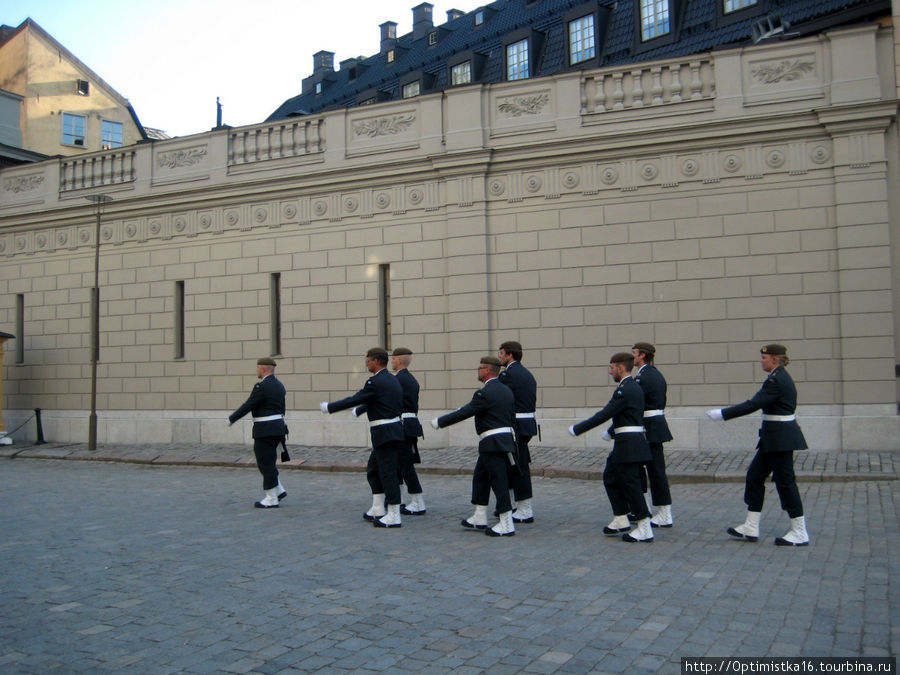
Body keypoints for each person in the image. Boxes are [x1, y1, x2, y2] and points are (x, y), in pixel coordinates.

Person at [707, 344, 810, 546]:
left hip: (780, 439)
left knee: (785, 482)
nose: (761, 361)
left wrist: (723, 414)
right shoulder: (777, 377)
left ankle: (799, 530)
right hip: (773, 439)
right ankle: (751, 525)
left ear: (774, 359)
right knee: (754, 476)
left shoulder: (776, 380)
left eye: (764, 358)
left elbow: (754, 404)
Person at [568, 352, 653, 542]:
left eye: (612, 368)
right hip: (627, 443)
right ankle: (621, 517)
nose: (610, 372)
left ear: (621, 368)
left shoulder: (626, 389)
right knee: (611, 477)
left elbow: (606, 413)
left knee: (631, 485)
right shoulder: (632, 387)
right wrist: (611, 432)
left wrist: (578, 428)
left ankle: (644, 526)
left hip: (629, 445)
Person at [431, 356, 518, 537]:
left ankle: (506, 522)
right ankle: (479, 516)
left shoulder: (484, 393)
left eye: (480, 368)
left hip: (492, 443)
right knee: (481, 477)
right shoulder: (506, 391)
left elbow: (465, 411)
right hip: (503, 441)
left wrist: (440, 421)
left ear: (487, 370)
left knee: (498, 481)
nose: (477, 371)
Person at [320, 348, 406, 528]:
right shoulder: (391, 379)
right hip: (391, 432)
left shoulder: (376, 382)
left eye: (368, 361)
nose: (366, 364)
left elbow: (356, 398)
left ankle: (394, 514)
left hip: (385, 433)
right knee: (374, 470)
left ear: (376, 361)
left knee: (388, 473)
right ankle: (377, 508)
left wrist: (330, 407)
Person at [354, 347, 426, 515]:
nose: (391, 362)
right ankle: (399, 498)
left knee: (404, 465)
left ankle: (416, 500)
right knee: (399, 465)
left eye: (393, 359)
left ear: (399, 360)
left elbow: (381, 399)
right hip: (407, 424)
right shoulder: (409, 379)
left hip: (403, 425)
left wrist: (359, 410)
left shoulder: (397, 380)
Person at [228, 357, 288, 509]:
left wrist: (233, 418)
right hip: (278, 429)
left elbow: (249, 404)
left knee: (265, 463)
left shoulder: (261, 387)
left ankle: (271, 498)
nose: (257, 371)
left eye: (257, 368)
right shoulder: (280, 385)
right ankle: (279, 489)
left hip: (264, 430)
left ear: (263, 369)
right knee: (270, 461)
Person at [632, 342, 675, 528]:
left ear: (642, 355)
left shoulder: (645, 377)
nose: (632, 356)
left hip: (649, 427)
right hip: (652, 426)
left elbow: (636, 402)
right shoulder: (653, 374)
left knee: (655, 471)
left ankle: (664, 513)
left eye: (634, 353)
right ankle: (643, 509)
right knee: (641, 468)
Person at [498, 340, 538, 524]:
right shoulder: (526, 373)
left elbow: (501, 398)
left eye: (501, 353)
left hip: (517, 426)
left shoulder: (509, 375)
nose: (500, 357)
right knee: (514, 464)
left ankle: (524, 508)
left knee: (519, 466)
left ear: (510, 355)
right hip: (527, 424)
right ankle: (516, 505)